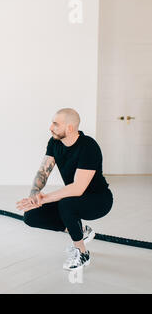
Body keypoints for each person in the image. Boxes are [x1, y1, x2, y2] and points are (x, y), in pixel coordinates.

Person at [16, 108, 113, 271]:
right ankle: (82, 230)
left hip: (99, 201)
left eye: (55, 124)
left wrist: (45, 198)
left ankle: (82, 253)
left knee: (67, 204)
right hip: (73, 199)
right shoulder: (54, 142)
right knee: (31, 216)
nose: (50, 127)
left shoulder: (88, 146)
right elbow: (43, 171)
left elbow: (78, 188)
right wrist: (34, 194)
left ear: (69, 128)